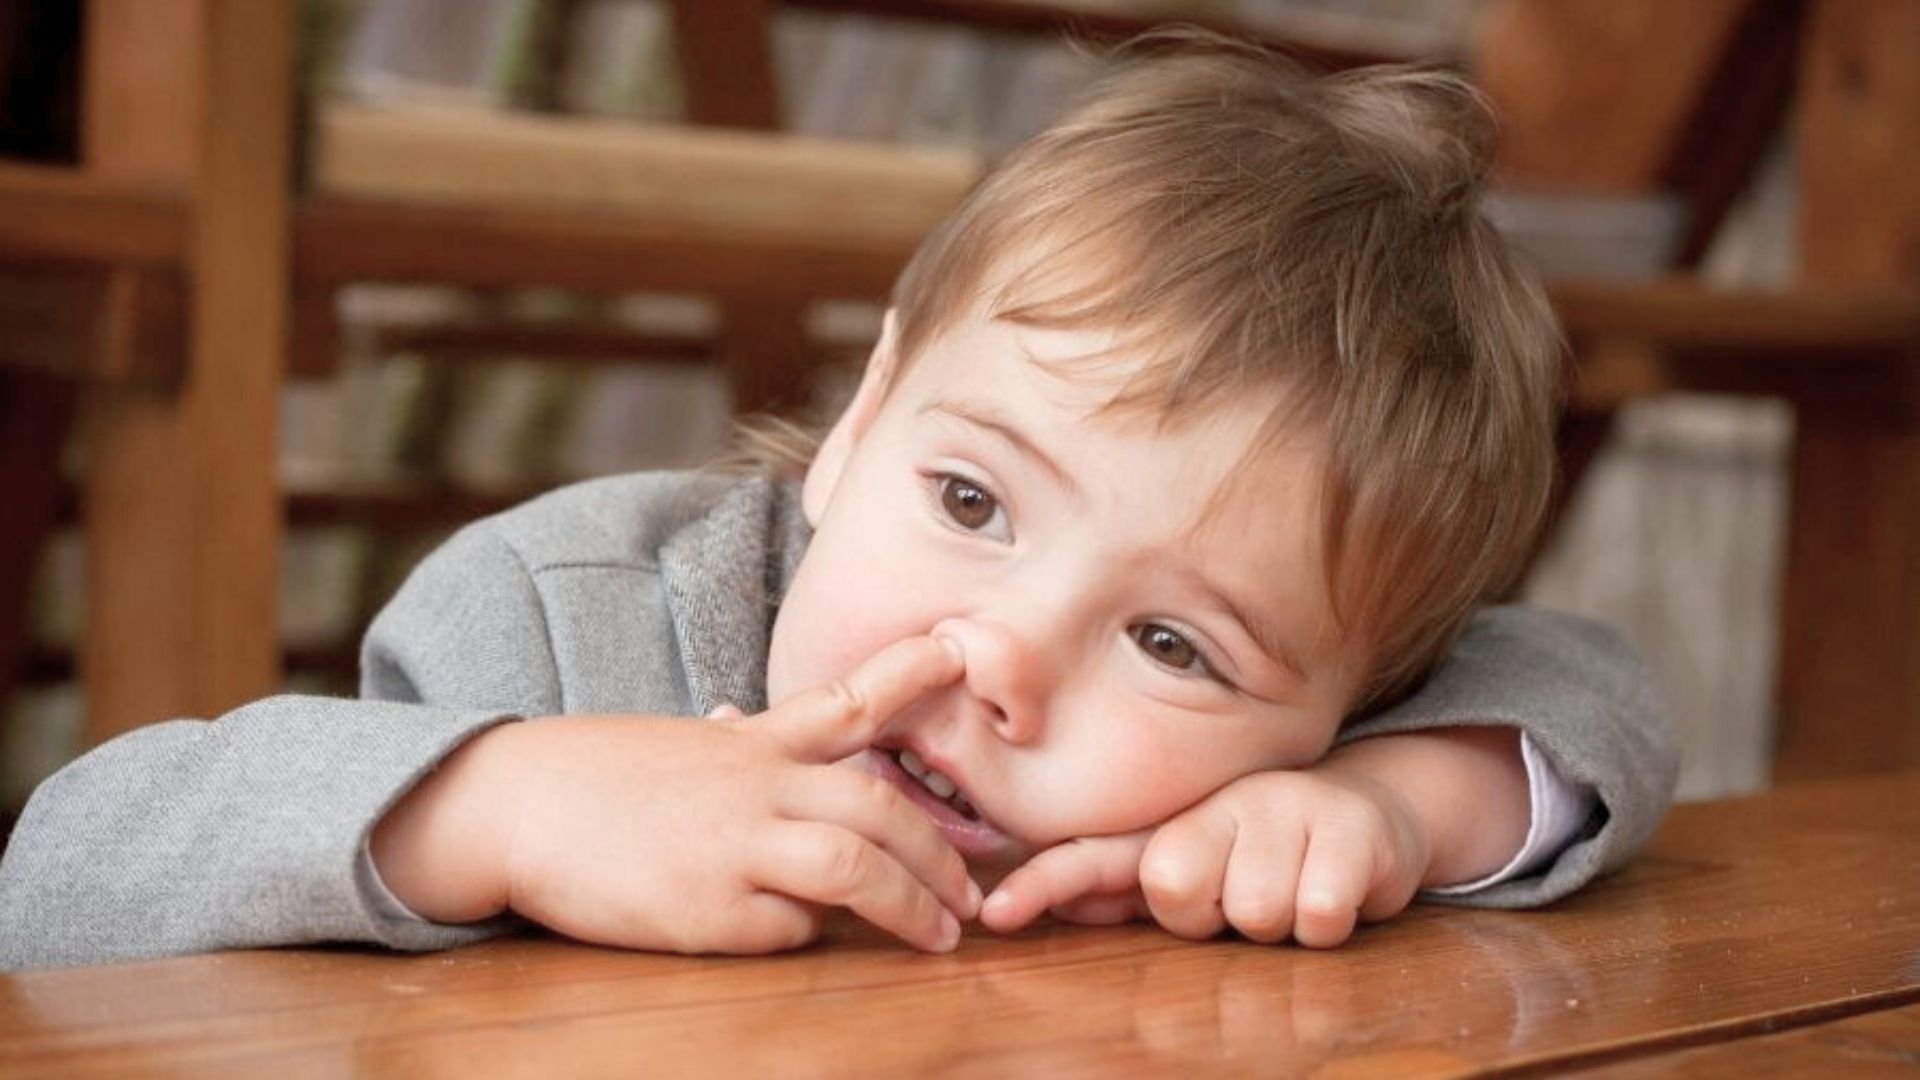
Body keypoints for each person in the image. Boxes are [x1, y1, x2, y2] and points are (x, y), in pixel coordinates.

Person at [0, 36, 1675, 970]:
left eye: (1172, 641)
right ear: (863, 419)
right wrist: (502, 807)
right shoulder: (559, 617)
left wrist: (1397, 809)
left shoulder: (1290, 770)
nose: (1000, 658)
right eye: (970, 496)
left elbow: (1596, 692)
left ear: (1339, 704)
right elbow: (58, 882)